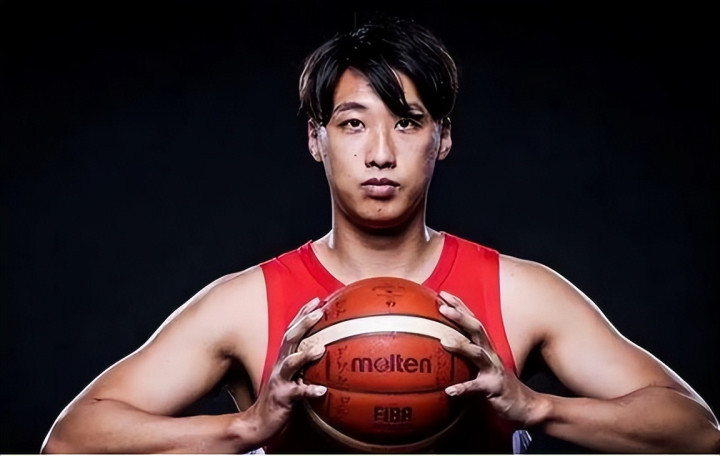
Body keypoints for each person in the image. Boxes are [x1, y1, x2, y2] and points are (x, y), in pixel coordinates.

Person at [41, 17, 719, 454]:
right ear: (316, 139)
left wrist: (535, 407)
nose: (381, 154)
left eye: (408, 121)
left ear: (443, 138)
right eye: (353, 123)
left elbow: (697, 431)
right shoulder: (247, 305)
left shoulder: (520, 294)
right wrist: (245, 428)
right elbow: (70, 443)